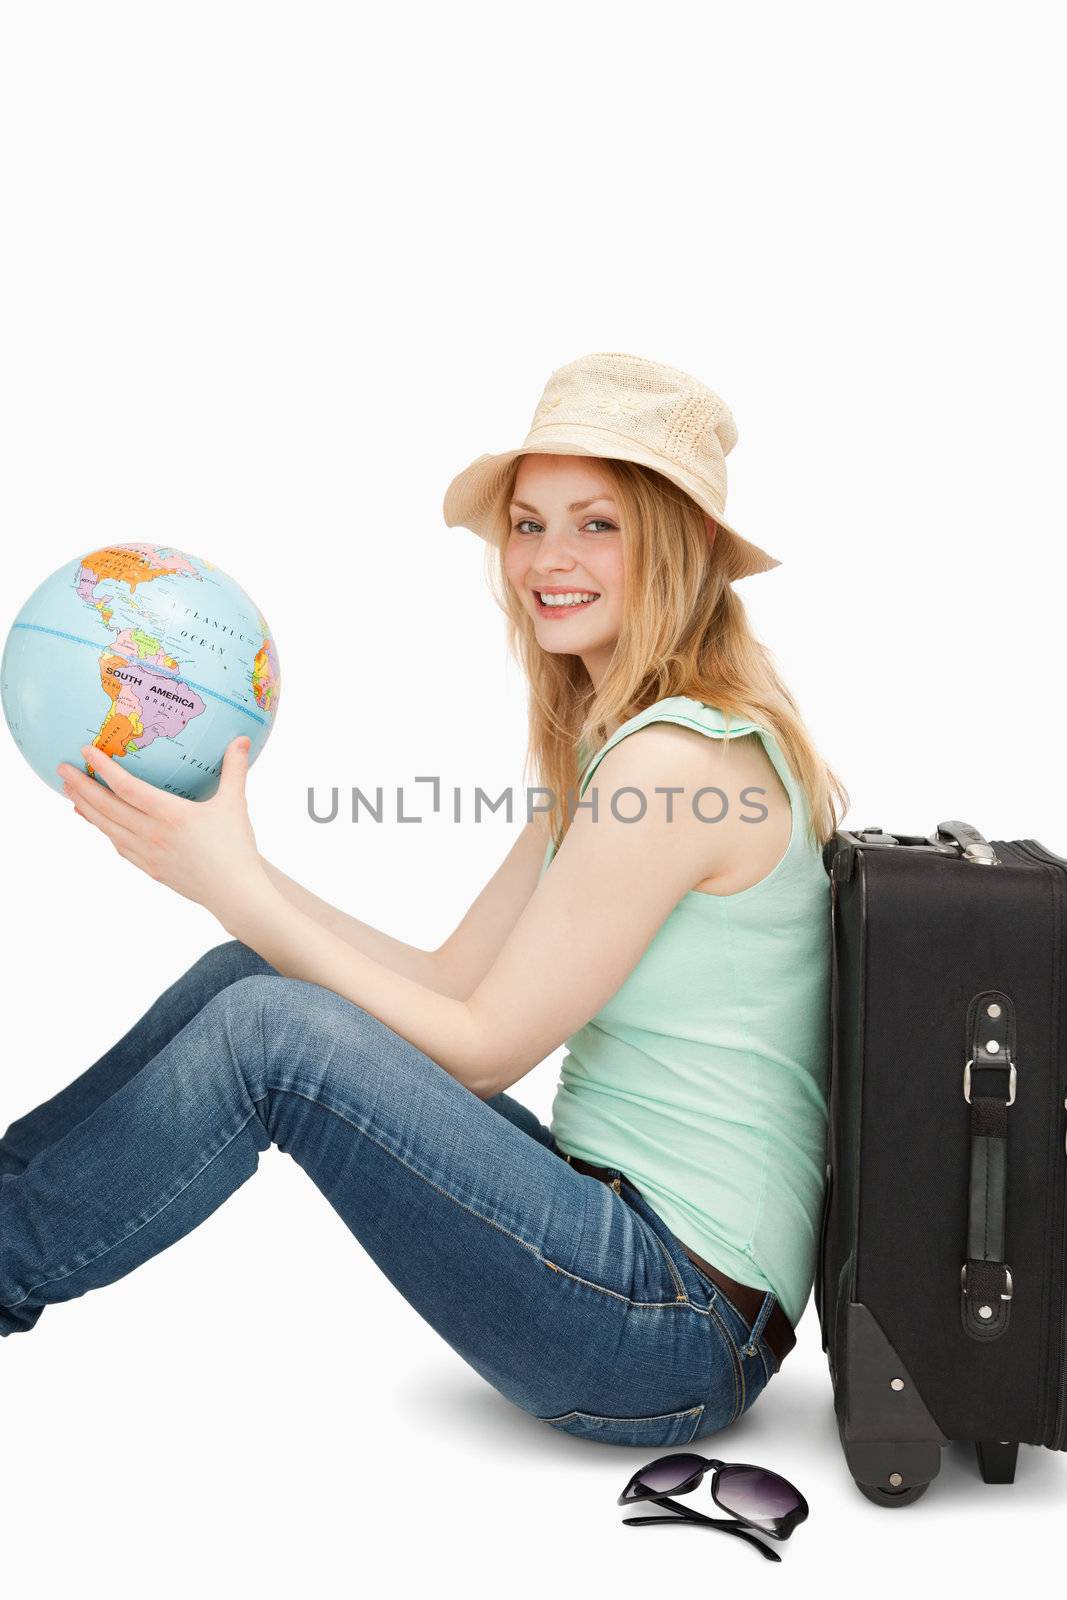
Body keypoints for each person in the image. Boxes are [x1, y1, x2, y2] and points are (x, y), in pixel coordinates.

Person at [0, 351, 848, 1449]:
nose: (547, 559)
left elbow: (484, 1048)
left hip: (671, 1328)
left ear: (674, 546)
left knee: (273, 1029)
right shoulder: (622, 743)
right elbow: (455, 980)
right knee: (252, 975)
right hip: (617, 1249)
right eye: (529, 523)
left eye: (597, 524)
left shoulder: (676, 764)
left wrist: (238, 885)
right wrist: (228, 887)